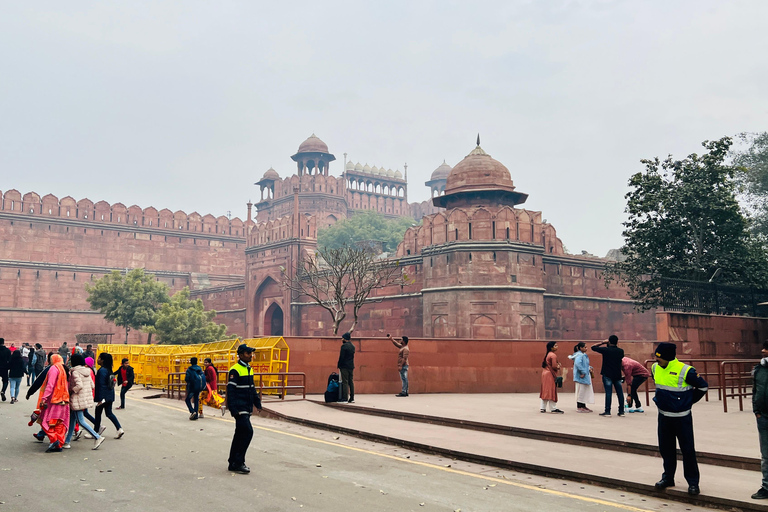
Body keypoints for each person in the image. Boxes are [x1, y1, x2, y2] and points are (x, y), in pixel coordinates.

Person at [652, 342, 708, 496]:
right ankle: (668, 478)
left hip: (682, 419)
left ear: (669, 358)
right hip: (663, 417)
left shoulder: (686, 371)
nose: (657, 361)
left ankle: (693, 483)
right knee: (666, 449)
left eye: (660, 358)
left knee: (688, 450)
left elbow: (703, 387)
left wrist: (687, 402)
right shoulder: (655, 368)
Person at [225, 344, 262, 474]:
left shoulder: (249, 369)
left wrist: (257, 403)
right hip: (240, 408)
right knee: (248, 432)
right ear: (240, 355)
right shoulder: (235, 370)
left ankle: (233, 462)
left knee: (240, 434)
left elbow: (252, 388)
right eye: (247, 353)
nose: (250, 355)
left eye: (250, 353)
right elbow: (231, 391)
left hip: (247, 406)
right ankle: (239, 462)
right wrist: (233, 409)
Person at [64, 353, 105, 450]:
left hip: (77, 399)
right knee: (72, 421)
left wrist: (71, 390)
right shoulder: (87, 371)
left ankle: (97, 437)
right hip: (84, 398)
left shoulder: (75, 372)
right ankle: (67, 441)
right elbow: (92, 385)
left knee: (81, 421)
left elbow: (79, 386)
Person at [38, 353, 70, 452]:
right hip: (64, 400)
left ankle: (54, 439)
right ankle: (59, 445)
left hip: (53, 400)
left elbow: (50, 385)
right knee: (60, 423)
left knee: (45, 421)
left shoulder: (53, 369)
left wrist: (44, 398)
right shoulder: (65, 369)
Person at [591, 335, 625, 417]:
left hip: (607, 374)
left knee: (608, 393)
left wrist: (602, 342)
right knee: (620, 393)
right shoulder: (620, 351)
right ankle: (621, 411)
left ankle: (607, 411)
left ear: (609, 341)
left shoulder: (606, 350)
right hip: (617, 374)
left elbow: (593, 347)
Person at [93, 353, 124, 439]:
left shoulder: (102, 370)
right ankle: (119, 428)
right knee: (109, 413)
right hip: (109, 395)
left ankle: (95, 431)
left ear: (102, 360)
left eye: (99, 358)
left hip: (103, 397)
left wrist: (100, 398)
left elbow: (101, 385)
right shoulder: (109, 370)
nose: (97, 359)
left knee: (98, 412)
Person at [752, 341, 768, 500]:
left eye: (767, 348)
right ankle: (766, 487)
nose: (763, 350)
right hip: (763, 417)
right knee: (766, 456)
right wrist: (756, 411)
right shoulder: (759, 369)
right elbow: (755, 391)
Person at [568, 342, 594, 412]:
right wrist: (583, 372)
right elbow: (578, 364)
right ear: (580, 348)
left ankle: (583, 405)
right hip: (581, 376)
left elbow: (585, 364)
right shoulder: (579, 355)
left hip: (584, 376)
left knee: (584, 391)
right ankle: (579, 406)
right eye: (585, 347)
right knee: (581, 391)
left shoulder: (583, 355)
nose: (586, 348)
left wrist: (589, 368)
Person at [540, 341, 564, 413]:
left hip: (545, 373)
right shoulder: (553, 355)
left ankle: (543, 407)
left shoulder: (548, 354)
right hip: (550, 374)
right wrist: (558, 366)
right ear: (551, 347)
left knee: (545, 390)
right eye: (555, 345)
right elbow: (554, 366)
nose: (557, 347)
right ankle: (553, 408)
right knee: (551, 390)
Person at [337, 332, 355, 403]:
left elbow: (342, 357)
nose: (342, 339)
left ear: (345, 339)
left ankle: (345, 398)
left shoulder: (344, 347)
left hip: (344, 366)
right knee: (351, 382)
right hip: (351, 366)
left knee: (345, 382)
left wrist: (339, 365)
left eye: (343, 338)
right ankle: (352, 398)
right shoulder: (353, 346)